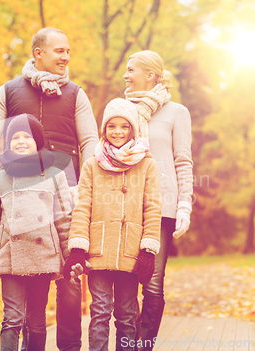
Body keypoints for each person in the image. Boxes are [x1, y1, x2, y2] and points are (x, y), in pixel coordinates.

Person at [0, 27, 98, 351]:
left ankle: (69, 346)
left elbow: (90, 143)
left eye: (68, 51)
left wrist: (86, 189)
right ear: (38, 53)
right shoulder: (9, 91)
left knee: (70, 281)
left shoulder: (76, 94)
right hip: (22, 198)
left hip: (66, 195)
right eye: (60, 51)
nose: (66, 57)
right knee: (27, 293)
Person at [64, 98, 162, 351]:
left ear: (133, 130)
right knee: (99, 311)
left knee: (128, 313)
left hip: (131, 251)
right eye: (111, 126)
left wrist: (148, 250)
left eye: (124, 126)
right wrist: (77, 248)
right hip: (99, 251)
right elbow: (82, 207)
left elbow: (152, 208)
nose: (117, 132)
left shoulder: (147, 164)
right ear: (104, 130)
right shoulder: (91, 166)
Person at [0, 114, 73, 351]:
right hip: (11, 257)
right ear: (8, 142)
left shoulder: (55, 174)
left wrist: (71, 258)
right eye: (15, 137)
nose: (21, 141)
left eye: (27, 137)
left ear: (37, 140)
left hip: (43, 256)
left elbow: (63, 220)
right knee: (12, 318)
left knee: (37, 319)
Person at [123, 50, 193, 350]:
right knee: (124, 282)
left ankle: (144, 345)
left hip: (161, 207)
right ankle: (127, 342)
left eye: (131, 70)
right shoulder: (120, 109)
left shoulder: (177, 112)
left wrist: (184, 205)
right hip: (124, 206)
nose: (125, 75)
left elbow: (183, 161)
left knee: (152, 282)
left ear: (150, 74)